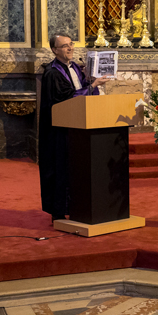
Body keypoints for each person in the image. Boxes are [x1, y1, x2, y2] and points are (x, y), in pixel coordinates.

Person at [38, 33, 110, 221]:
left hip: (76, 128)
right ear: (54, 50)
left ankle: (76, 207)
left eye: (71, 44)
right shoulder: (52, 72)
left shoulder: (75, 68)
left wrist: (90, 80)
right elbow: (65, 98)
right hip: (59, 132)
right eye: (64, 46)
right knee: (60, 170)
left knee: (74, 170)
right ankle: (59, 212)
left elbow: (81, 89)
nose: (70, 48)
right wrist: (93, 84)